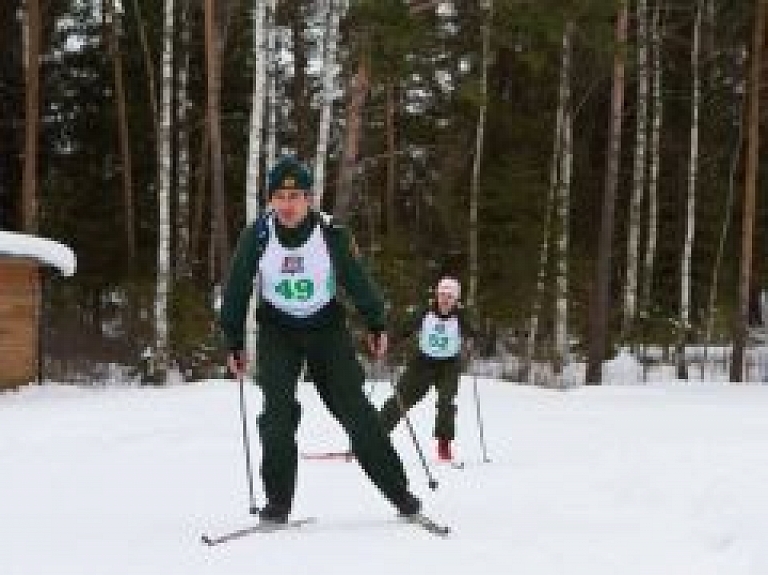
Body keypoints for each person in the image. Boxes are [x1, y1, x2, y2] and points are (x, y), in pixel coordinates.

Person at [218, 156, 421, 524]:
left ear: (308, 199)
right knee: (277, 415)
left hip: (326, 328)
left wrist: (376, 323)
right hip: (278, 330)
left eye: (295, 196)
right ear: (270, 200)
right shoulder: (257, 236)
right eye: (279, 197)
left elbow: (357, 280)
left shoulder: (330, 233)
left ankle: (400, 493)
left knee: (356, 410)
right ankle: (278, 503)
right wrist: (233, 340)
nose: (287, 204)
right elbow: (236, 289)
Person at [379, 277, 476, 462]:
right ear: (437, 296)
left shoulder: (461, 316)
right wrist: (388, 342)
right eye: (442, 295)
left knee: (446, 401)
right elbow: (405, 329)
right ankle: (375, 436)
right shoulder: (425, 312)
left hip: (449, 365)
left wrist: (472, 340)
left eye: (449, 297)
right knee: (400, 398)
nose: (445, 300)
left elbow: (474, 333)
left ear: (456, 300)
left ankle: (444, 443)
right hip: (423, 363)